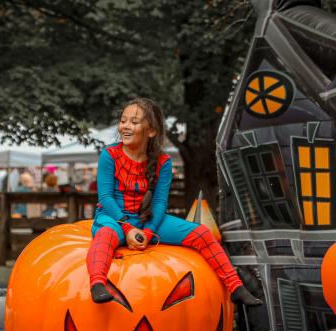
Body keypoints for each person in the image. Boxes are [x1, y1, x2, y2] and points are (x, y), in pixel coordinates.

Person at [87, 97, 262, 306]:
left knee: (202, 233)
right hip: (114, 218)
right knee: (105, 236)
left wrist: (149, 232)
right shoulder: (110, 155)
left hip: (146, 220)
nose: (125, 126)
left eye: (133, 122)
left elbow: (160, 203)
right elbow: (105, 197)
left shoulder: (163, 162)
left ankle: (235, 286)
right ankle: (97, 283)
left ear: (151, 131)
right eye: (123, 120)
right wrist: (126, 227)